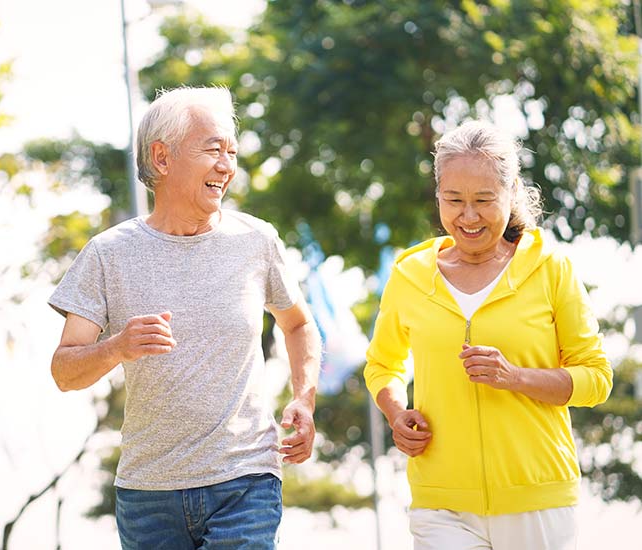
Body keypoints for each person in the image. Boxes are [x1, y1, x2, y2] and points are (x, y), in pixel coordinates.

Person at [48, 86, 322, 549]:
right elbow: (64, 372)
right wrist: (117, 347)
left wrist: (304, 398)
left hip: (245, 479)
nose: (227, 165)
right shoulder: (108, 254)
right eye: (213, 149)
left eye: (231, 152)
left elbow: (297, 324)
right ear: (161, 158)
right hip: (148, 495)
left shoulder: (256, 240)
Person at [364, 120, 612, 550]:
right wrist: (395, 411)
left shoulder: (551, 269)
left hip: (537, 500)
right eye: (454, 200)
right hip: (440, 502)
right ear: (438, 195)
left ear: (511, 192)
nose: (469, 216)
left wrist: (515, 377)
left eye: (483, 200)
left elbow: (596, 379)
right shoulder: (410, 274)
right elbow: (384, 364)